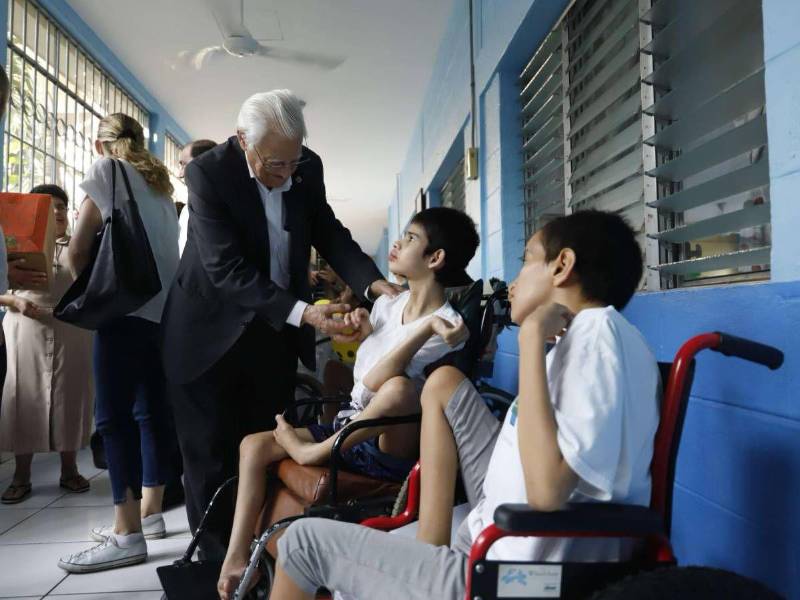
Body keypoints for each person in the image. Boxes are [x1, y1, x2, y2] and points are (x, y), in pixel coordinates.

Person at [268, 210, 661, 600]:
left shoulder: (596, 335)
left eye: (526, 260)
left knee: (302, 544)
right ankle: (429, 554)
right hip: (492, 527)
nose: (515, 279)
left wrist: (529, 341)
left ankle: (429, 571)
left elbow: (546, 494)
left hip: (512, 576)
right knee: (442, 382)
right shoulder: (591, 336)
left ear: (563, 266)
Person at [160, 89, 401, 562]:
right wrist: (306, 312)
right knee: (209, 460)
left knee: (268, 446)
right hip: (204, 337)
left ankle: (259, 560)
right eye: (275, 165)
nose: (286, 174)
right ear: (242, 140)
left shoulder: (305, 165)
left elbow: (329, 231)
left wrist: (375, 287)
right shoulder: (208, 173)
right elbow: (224, 269)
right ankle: (214, 572)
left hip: (271, 336)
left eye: (293, 163)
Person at [217, 207, 480, 598]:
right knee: (253, 445)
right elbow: (366, 369)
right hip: (355, 422)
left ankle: (311, 453)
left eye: (410, 239)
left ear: (435, 258)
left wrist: (423, 328)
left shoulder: (446, 323)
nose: (397, 243)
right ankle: (236, 559)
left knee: (399, 390)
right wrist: (365, 330)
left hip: (392, 441)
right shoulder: (389, 304)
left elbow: (377, 383)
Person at [56, 113, 180, 573]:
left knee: (113, 419)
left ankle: (126, 533)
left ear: (99, 143)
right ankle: (150, 515)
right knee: (150, 413)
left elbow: (78, 250)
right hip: (161, 314)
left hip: (123, 311)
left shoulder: (106, 170)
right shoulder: (162, 187)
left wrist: (87, 290)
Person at [0, 185, 94, 504]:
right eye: (49, 207)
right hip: (25, 325)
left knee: (70, 396)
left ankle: (69, 470)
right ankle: (21, 476)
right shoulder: (12, 246)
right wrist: (15, 302)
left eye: (61, 208)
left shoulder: (81, 246)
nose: (57, 213)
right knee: (23, 398)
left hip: (72, 328)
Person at [177, 138, 216, 255]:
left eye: (185, 165)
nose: (180, 174)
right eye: (180, 165)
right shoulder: (186, 210)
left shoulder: (221, 210)